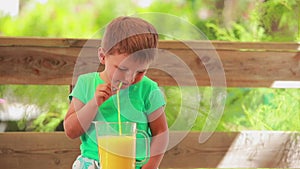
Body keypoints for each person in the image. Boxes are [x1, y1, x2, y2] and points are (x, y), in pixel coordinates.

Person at [64, 16, 169, 169]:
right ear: (102, 56)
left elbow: (161, 132)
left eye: (140, 71)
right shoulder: (86, 84)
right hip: (91, 163)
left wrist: (151, 165)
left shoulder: (148, 89)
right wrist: (94, 103)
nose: (129, 79)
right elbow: (71, 131)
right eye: (122, 69)